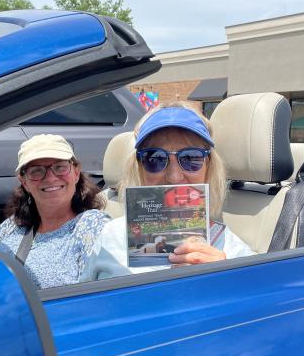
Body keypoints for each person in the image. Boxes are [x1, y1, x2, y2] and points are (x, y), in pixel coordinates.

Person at [83, 103, 254, 280]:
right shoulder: (110, 237)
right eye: (155, 158)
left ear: (208, 167)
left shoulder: (233, 253)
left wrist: (226, 281)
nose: (174, 176)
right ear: (139, 168)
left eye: (191, 158)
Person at [0, 134, 110, 289]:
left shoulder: (91, 225)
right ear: (24, 182)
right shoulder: (13, 225)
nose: (51, 178)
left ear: (76, 173)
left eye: (60, 167)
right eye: (37, 171)